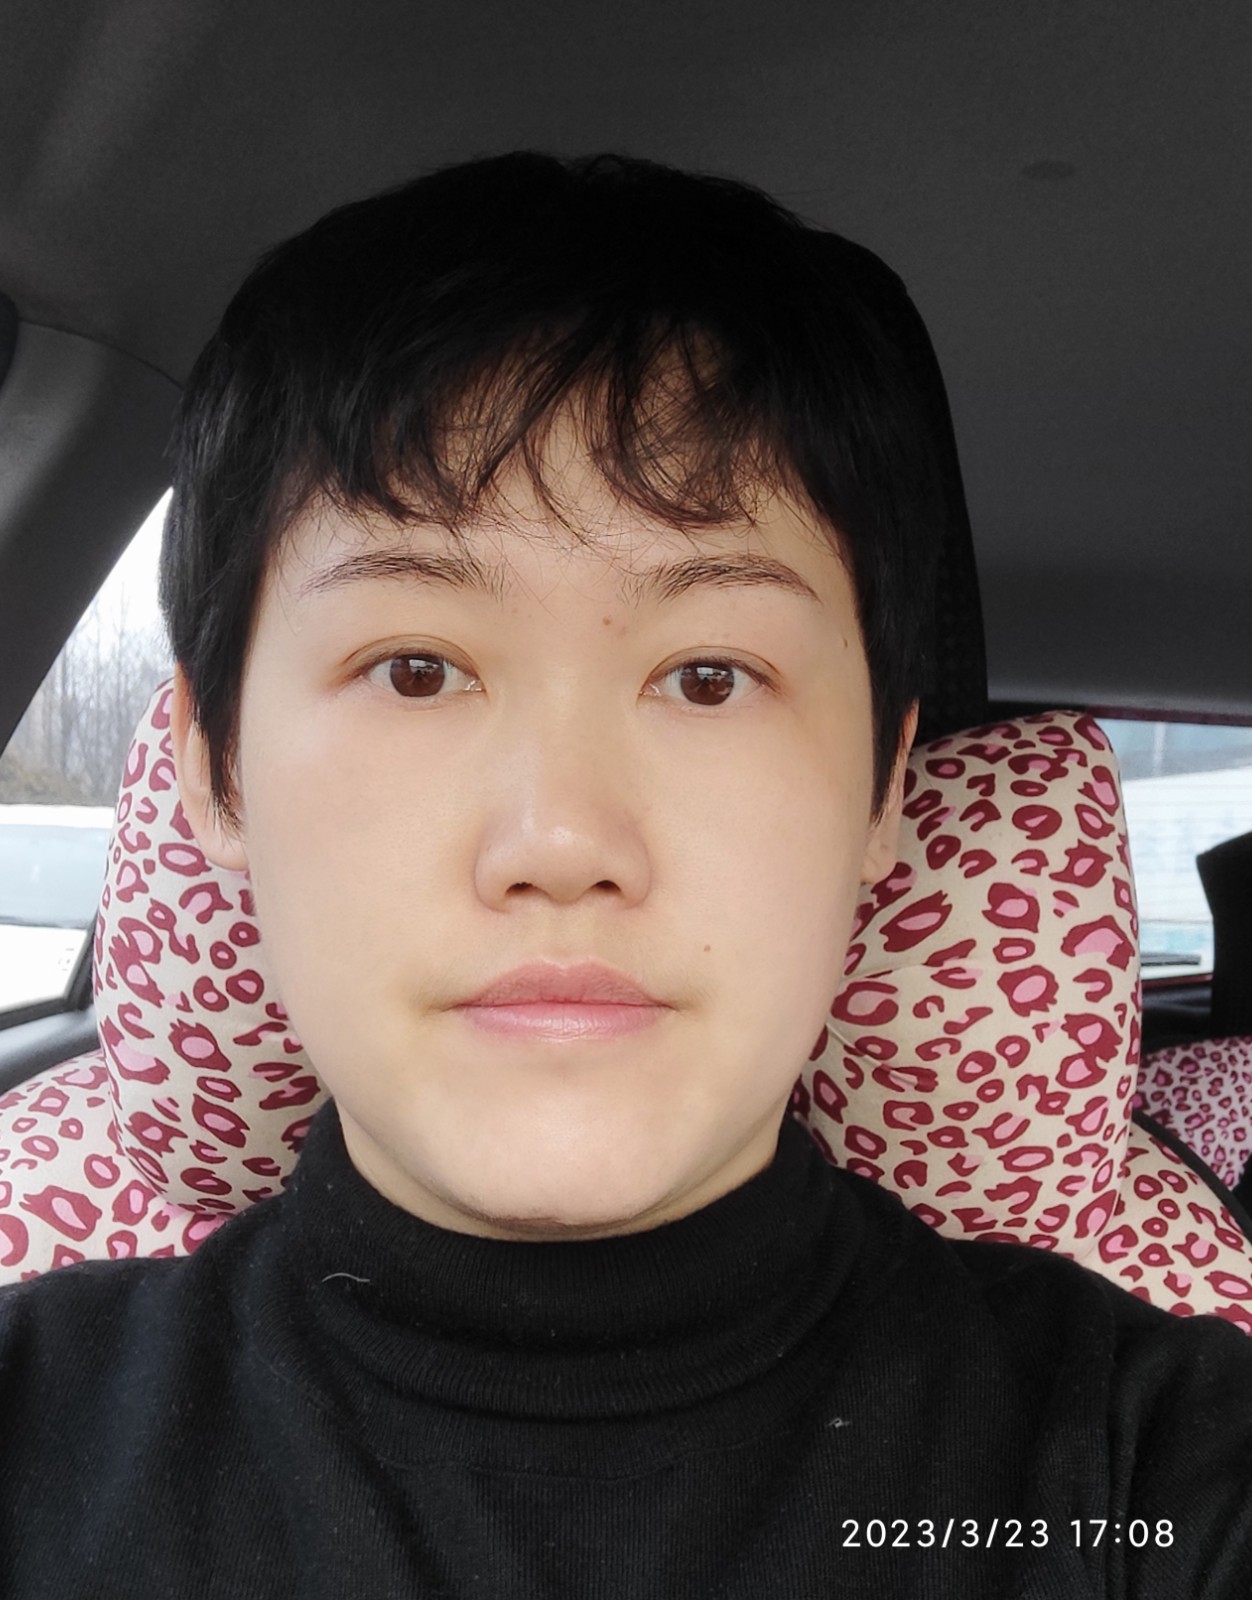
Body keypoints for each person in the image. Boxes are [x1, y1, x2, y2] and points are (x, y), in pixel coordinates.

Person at [1, 150, 1250, 1599]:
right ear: (217, 770)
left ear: (883, 792)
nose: (562, 844)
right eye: (415, 670)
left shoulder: (1150, 1468)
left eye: (710, 676)